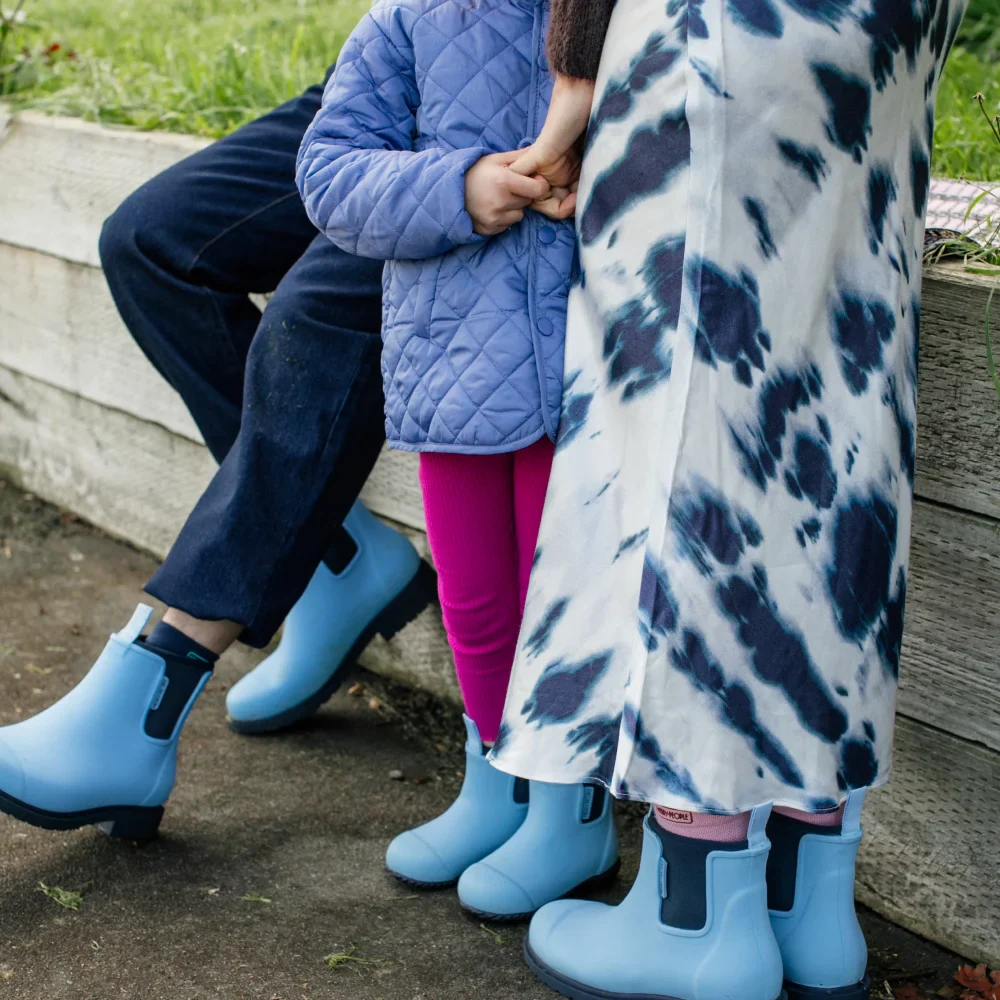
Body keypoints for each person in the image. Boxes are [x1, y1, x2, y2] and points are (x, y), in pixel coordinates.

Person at [489, 0, 970, 998]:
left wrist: (573, 83)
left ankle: (696, 907)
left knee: (685, 423)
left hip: (722, 31)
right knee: (837, 409)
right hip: (896, 28)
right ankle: (807, 900)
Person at [0, 26, 440, 839]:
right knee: (152, 242)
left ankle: (145, 709)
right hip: (402, 56)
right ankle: (334, 556)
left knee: (312, 319)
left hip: (497, 114)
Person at [294, 0, 620, 922]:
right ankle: (497, 790)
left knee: (562, 601)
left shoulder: (619, 14)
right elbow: (327, 170)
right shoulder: (409, 19)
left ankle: (572, 810)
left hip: (580, 365)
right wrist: (458, 188)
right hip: (453, 361)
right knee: (477, 602)